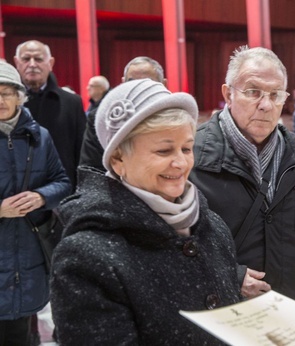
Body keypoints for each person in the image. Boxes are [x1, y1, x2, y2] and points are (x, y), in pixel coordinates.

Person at [50, 79, 242, 345]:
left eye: (186, 148)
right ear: (118, 159)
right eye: (164, 150)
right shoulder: (85, 256)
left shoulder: (212, 226)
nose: (181, 162)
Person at [190, 46, 295, 312]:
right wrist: (231, 274)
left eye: (276, 95)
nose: (266, 105)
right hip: (224, 315)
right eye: (253, 92)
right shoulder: (193, 155)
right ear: (227, 94)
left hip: (292, 314)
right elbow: (173, 247)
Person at [0, 60, 71, 346]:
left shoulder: (39, 136)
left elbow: (63, 182)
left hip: (28, 252)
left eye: (6, 92)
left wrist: (41, 197)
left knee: (20, 328)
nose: (0, 99)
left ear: (20, 96)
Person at [14, 40, 86, 189]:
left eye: (39, 59)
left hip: (61, 194)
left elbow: (82, 154)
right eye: (26, 59)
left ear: (50, 63)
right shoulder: (5, 104)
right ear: (17, 63)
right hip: (15, 196)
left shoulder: (72, 103)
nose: (32, 64)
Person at [79, 56, 166, 171]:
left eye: (146, 83)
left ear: (163, 84)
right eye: (132, 82)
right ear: (123, 83)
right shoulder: (101, 118)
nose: (138, 88)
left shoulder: (175, 117)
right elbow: (90, 169)